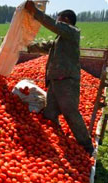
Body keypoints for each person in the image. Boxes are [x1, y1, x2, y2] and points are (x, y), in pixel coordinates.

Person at [25, 1, 94, 155]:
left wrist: (35, 12)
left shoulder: (72, 32)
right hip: (55, 81)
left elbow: (53, 25)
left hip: (66, 82)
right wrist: (27, 46)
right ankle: (58, 138)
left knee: (70, 112)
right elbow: (46, 45)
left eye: (59, 18)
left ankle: (86, 145)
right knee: (50, 113)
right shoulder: (61, 39)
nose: (57, 21)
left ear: (67, 20)